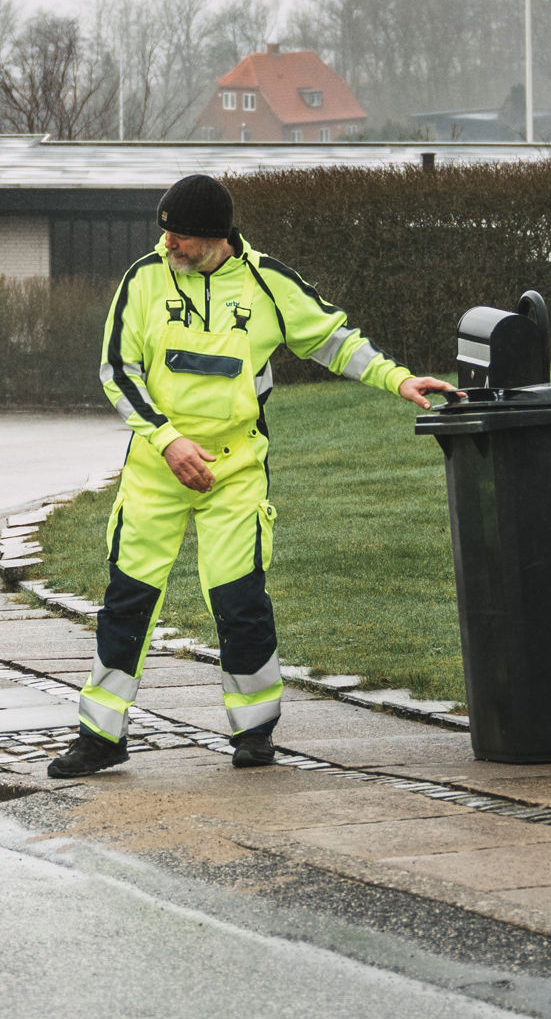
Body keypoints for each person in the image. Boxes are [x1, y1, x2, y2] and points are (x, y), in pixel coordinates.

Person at [50, 174, 454, 778]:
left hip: (236, 470)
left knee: (240, 603)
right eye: (165, 235)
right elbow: (117, 371)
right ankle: (100, 735)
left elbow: (336, 342)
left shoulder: (268, 283)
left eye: (180, 237)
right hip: (157, 468)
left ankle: (255, 733)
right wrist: (168, 440)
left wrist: (399, 380)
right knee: (127, 600)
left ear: (215, 238)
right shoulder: (143, 279)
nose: (169, 247)